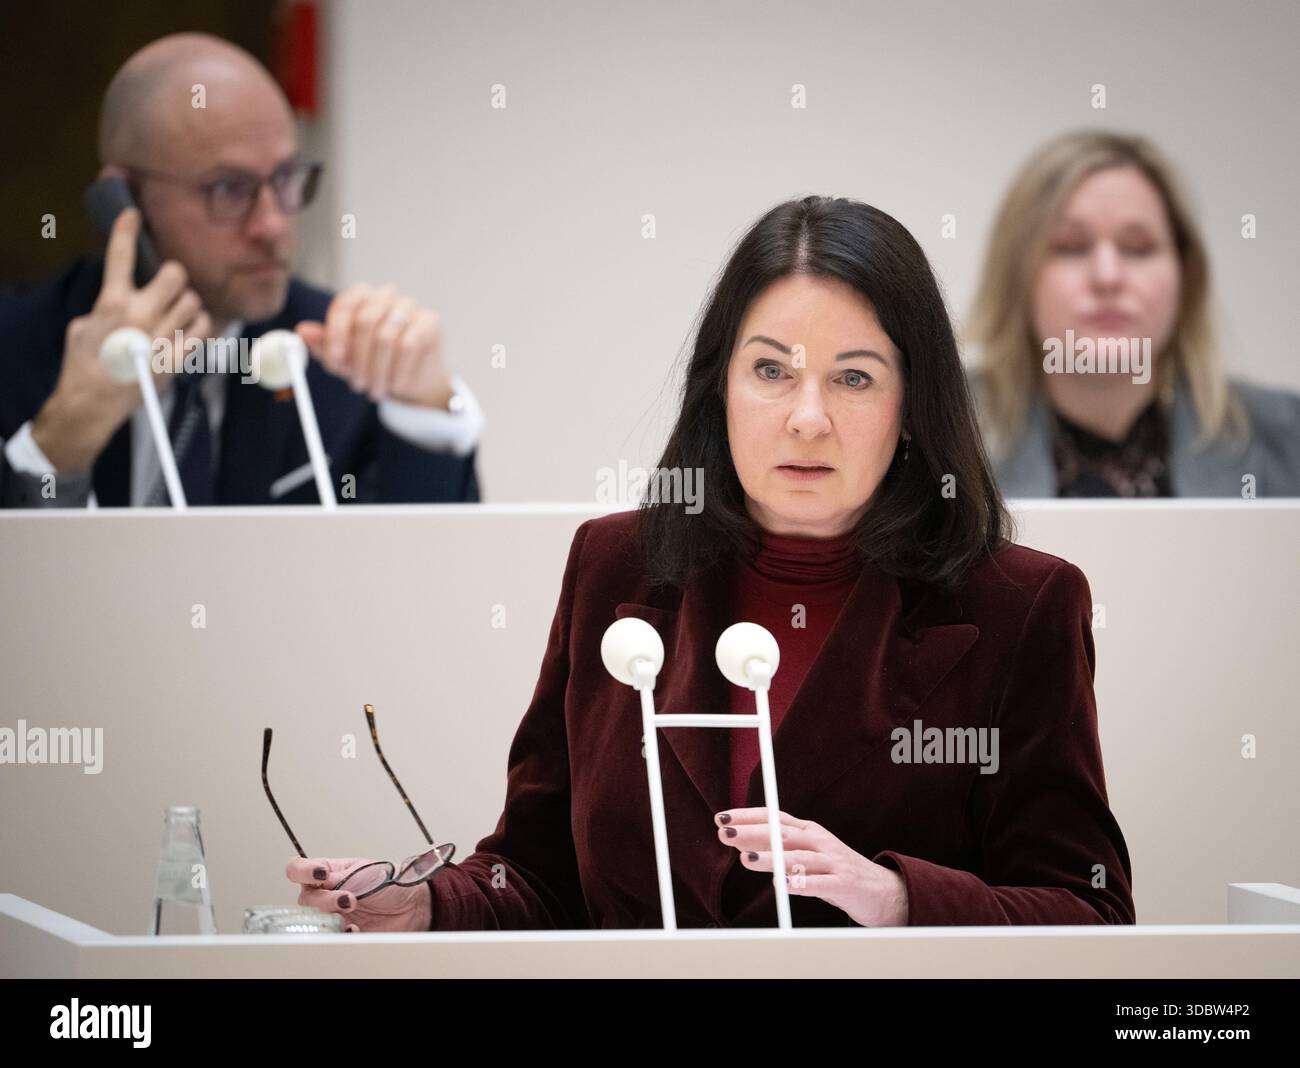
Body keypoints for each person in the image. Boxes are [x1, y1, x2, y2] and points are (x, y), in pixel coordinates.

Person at [286, 196, 1136, 929]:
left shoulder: (1020, 605)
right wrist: (430, 902)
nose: (807, 418)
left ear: (912, 406)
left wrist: (898, 899)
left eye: (853, 378)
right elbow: (539, 872)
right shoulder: (615, 565)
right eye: (771, 370)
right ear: (719, 386)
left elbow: (1088, 909)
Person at [0, 33, 483, 508]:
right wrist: (62, 438)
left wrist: (424, 410)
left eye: (285, 178)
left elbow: (421, 575)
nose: (272, 224)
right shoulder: (18, 346)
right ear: (125, 200)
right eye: (229, 188)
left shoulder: (336, 357)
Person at [965, 128, 1300, 498]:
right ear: (1016, 275)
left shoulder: (1285, 438)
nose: (1107, 277)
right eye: (1071, 247)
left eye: (1138, 248)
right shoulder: (935, 435)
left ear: (1185, 275)